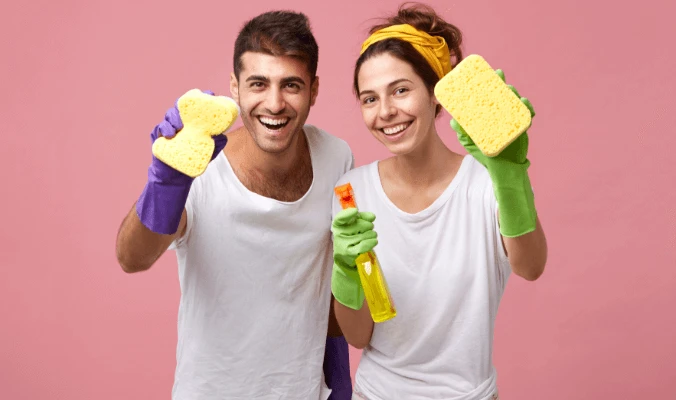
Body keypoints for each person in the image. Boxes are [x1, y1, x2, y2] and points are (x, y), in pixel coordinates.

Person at [115, 10, 353, 400]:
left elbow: (333, 276)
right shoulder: (200, 169)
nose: (274, 103)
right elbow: (132, 258)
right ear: (235, 88)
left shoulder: (336, 157)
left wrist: (337, 379)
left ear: (314, 89)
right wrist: (166, 183)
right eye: (258, 83)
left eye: (291, 85)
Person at [329, 3, 548, 399]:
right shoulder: (350, 193)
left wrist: (510, 176)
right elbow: (360, 336)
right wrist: (345, 269)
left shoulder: (485, 183)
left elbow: (531, 267)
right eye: (369, 98)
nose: (386, 112)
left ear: (435, 92)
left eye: (400, 90)